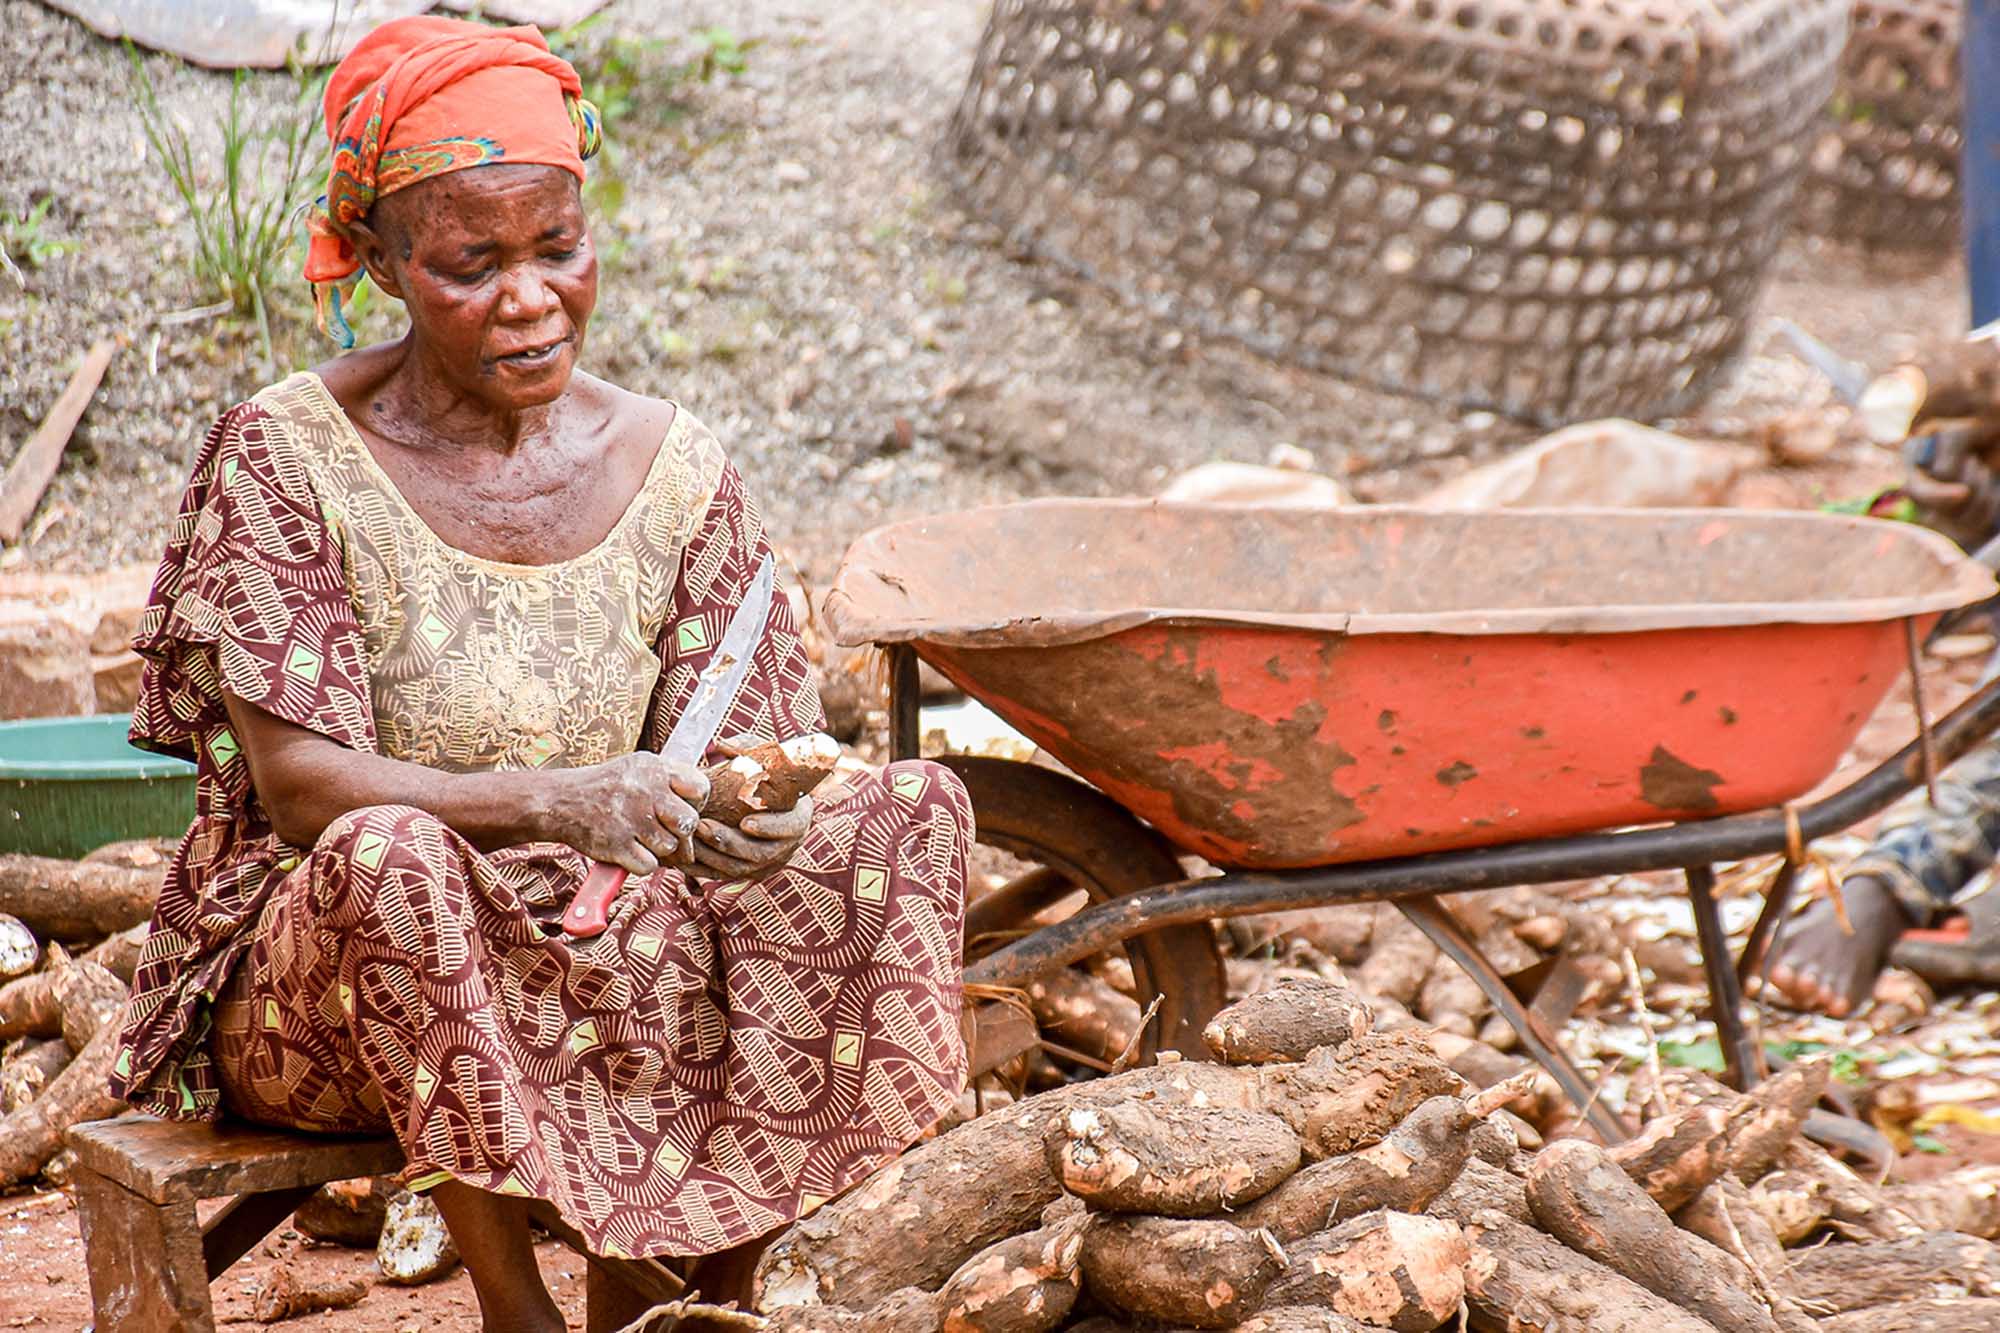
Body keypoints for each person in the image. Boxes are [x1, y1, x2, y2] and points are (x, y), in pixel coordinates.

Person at [110, 17, 971, 1331]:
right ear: (387, 262)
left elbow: (738, 747)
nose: (527, 296)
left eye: (555, 249)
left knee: (899, 813)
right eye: (472, 263)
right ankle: (519, 1309)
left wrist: (756, 805)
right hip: (341, 985)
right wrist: (569, 800)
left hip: (617, 948)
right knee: (389, 851)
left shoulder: (676, 467)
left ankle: (689, 1289)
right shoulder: (290, 456)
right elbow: (298, 791)